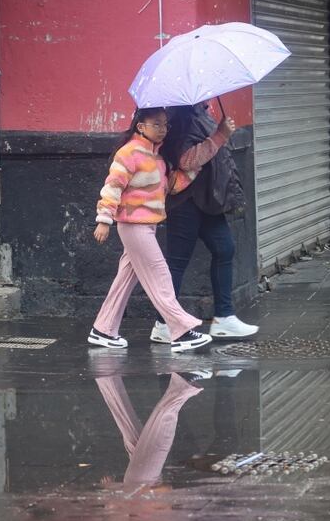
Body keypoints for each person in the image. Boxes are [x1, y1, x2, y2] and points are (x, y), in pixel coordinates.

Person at [88, 107, 234, 353]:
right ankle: (181, 331)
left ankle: (103, 329)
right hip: (134, 226)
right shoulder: (129, 153)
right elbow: (113, 186)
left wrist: (195, 169)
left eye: (165, 124)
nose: (163, 129)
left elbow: (172, 186)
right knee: (160, 275)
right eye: (156, 124)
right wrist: (104, 219)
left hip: (147, 226)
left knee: (125, 280)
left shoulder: (157, 157)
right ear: (140, 127)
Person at [150, 102, 259, 344]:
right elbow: (186, 160)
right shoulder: (181, 117)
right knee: (177, 262)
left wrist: (222, 133)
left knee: (224, 249)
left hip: (209, 198)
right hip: (186, 201)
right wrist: (220, 135)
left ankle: (224, 318)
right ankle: (163, 323)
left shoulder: (200, 112)